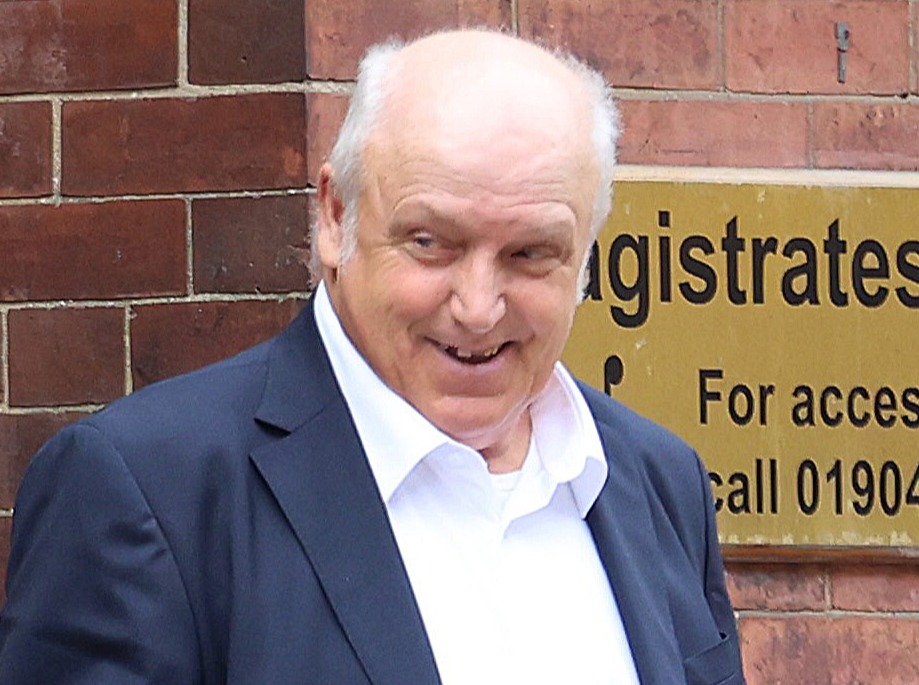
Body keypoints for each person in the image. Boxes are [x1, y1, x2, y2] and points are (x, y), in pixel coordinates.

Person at [0, 30, 744, 685]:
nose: (478, 305)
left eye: (530, 253)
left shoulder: (656, 482)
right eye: (430, 242)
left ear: (584, 255)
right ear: (334, 217)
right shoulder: (148, 492)